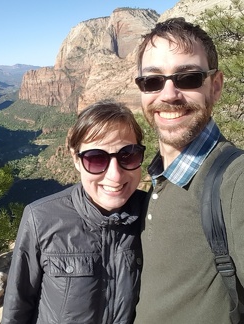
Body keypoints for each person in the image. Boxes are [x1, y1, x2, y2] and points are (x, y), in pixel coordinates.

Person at [133, 17, 244, 323]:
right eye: (152, 80)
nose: (169, 94)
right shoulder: (159, 175)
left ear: (216, 86)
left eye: (189, 78)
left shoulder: (235, 180)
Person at [1, 100, 146, 324]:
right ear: (76, 160)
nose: (115, 176)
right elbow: (17, 309)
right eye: (96, 159)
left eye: (128, 154)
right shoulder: (40, 218)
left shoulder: (153, 215)